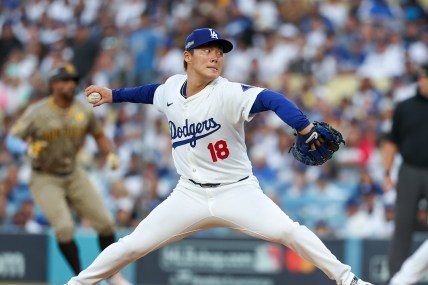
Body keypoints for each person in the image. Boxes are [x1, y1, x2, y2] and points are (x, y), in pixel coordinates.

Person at [65, 28, 372, 285]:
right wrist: (114, 95)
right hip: (189, 194)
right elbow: (150, 93)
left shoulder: (227, 92)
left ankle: (349, 280)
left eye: (220, 52)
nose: (215, 56)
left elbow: (272, 99)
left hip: (236, 191)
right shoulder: (172, 88)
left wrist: (304, 127)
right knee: (131, 245)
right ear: (188, 57)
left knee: (289, 231)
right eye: (206, 50)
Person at [6, 63, 132, 285]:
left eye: (73, 80)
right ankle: (83, 279)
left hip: (73, 173)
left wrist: (109, 153)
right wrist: (26, 148)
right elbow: (12, 138)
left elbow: (99, 134)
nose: (70, 84)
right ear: (53, 84)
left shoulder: (82, 110)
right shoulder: (38, 112)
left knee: (105, 222)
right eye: (64, 80)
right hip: (45, 176)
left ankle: (114, 276)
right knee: (64, 228)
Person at [382, 63, 428, 280]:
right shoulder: (405, 107)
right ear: (421, 79)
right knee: (402, 227)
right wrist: (387, 172)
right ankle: (397, 279)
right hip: (409, 170)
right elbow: (391, 142)